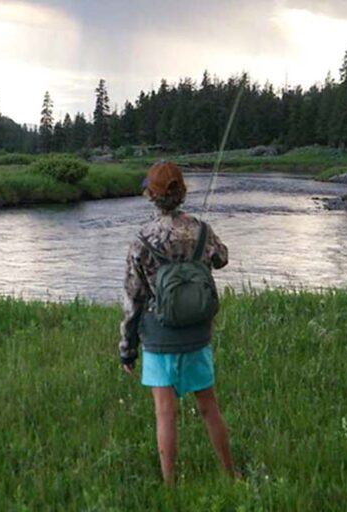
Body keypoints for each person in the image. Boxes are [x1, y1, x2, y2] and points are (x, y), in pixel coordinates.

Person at [119, 160, 237, 483]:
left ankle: (171, 488)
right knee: (209, 407)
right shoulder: (201, 229)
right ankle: (231, 474)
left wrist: (127, 349)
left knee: (165, 412)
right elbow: (222, 258)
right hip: (198, 334)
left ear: (151, 196)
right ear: (182, 193)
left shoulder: (141, 241)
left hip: (159, 337)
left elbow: (134, 299)